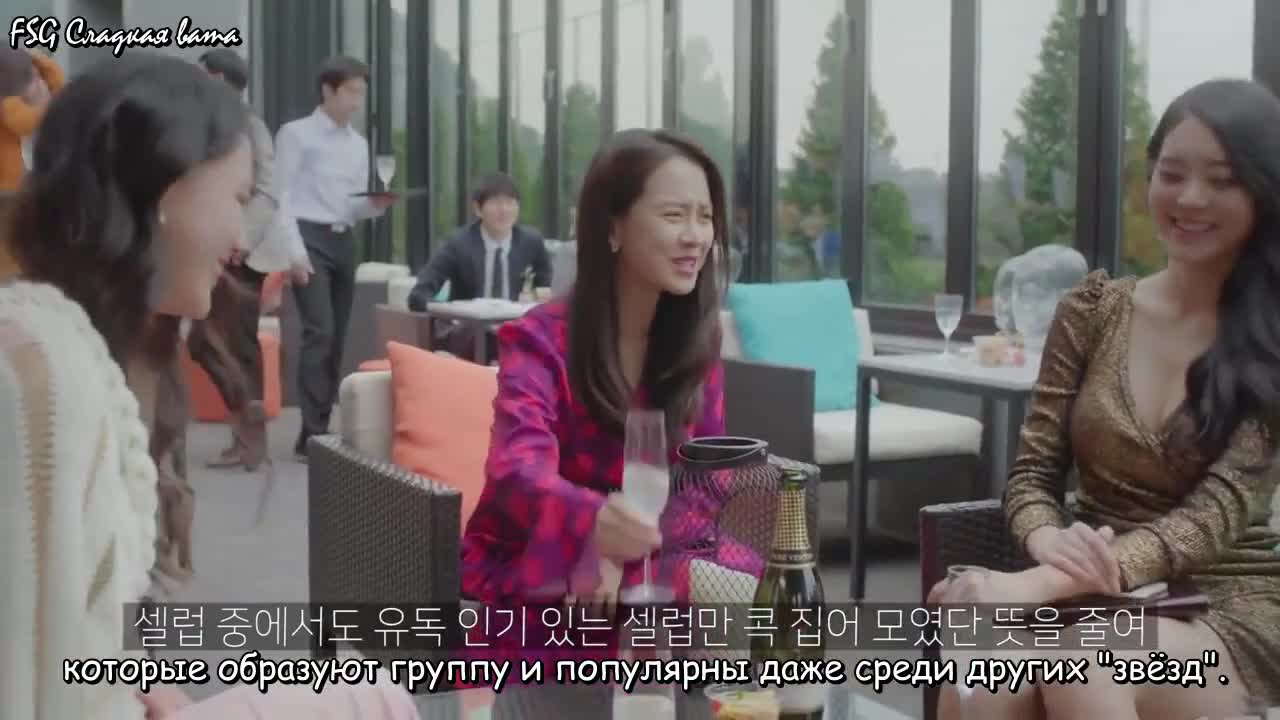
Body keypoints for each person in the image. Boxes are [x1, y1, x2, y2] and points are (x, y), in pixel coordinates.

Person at [0, 52, 417, 720]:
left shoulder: (80, 353)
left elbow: (73, 622)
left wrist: (142, 681)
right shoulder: (38, 378)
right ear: (166, 190)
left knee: (368, 691)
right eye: (236, 200)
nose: (239, 236)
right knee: (377, 700)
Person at [930, 78, 1280, 718]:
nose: (1190, 197)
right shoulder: (1093, 310)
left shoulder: (1271, 338)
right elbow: (1032, 473)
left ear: (1263, 191)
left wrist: (1036, 583)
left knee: (1088, 660)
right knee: (986, 673)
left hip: (1223, 603)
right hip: (1089, 594)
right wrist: (1045, 540)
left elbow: (1211, 518)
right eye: (1172, 174)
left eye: (1222, 180)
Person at [461, 128, 759, 618]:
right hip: (542, 556)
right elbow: (518, 470)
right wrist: (594, 528)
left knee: (776, 588)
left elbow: (706, 482)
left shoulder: (697, 341)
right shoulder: (539, 341)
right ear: (612, 228)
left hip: (660, 551)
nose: (695, 236)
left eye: (705, 217)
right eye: (673, 215)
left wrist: (629, 556)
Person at [186, 48, 303, 471]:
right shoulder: (208, 123)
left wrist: (242, 236)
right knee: (212, 342)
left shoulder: (250, 126)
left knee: (229, 343)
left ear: (218, 78)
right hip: (217, 246)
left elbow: (268, 189)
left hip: (243, 252)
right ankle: (246, 427)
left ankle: (249, 436)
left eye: (201, 75)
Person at [276, 55, 395, 461]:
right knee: (320, 332)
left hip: (344, 241)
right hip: (308, 237)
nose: (357, 102)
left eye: (362, 93)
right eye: (351, 92)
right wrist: (294, 252)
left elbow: (351, 207)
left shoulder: (358, 145)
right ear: (328, 91)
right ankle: (312, 432)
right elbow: (281, 196)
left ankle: (320, 426)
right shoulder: (296, 135)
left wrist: (376, 206)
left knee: (338, 336)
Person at [407, 172, 551, 360]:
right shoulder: (458, 244)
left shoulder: (531, 242)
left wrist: (537, 296)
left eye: (510, 203)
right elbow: (418, 295)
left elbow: (545, 287)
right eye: (495, 203)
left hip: (514, 329)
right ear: (478, 209)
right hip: (470, 331)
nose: (504, 210)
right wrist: (453, 312)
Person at [0, 47, 63, 191]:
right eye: (30, 77)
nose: (39, 81)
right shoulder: (6, 103)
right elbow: (25, 122)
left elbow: (58, 87)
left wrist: (38, 60)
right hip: (6, 185)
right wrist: (48, 106)